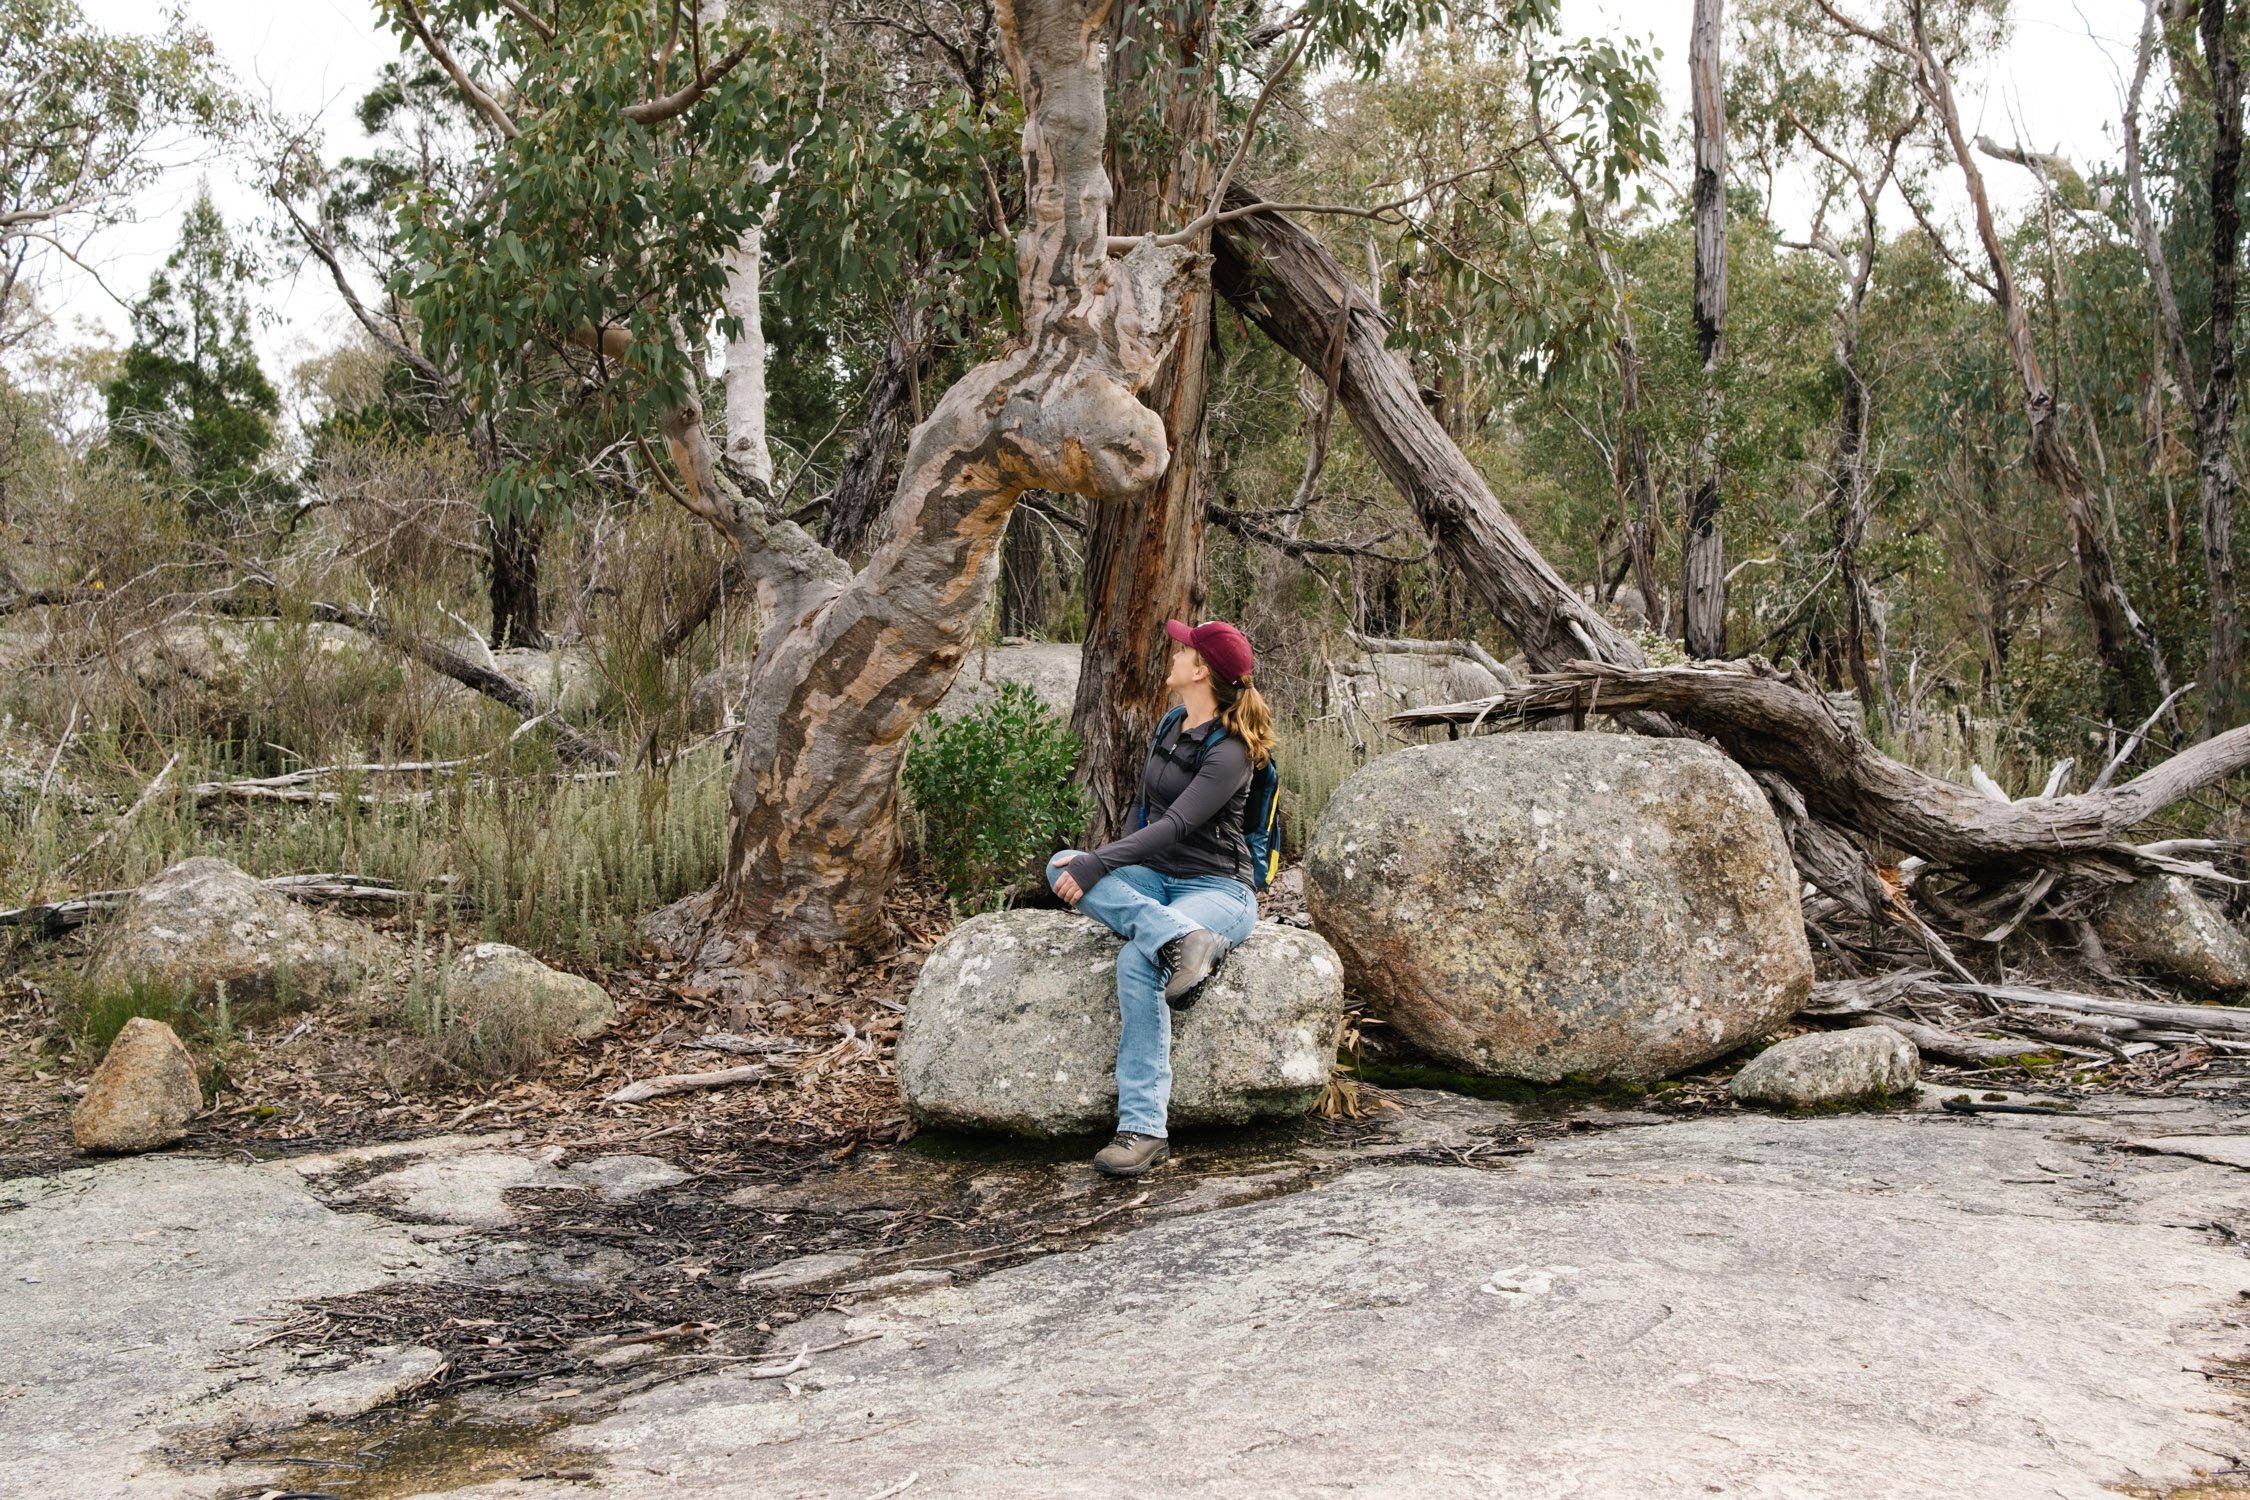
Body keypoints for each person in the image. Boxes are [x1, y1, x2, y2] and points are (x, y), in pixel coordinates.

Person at [1046, 618, 1278, 1178]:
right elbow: (1143, 811)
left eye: (1184, 649)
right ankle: (1179, 940)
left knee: (1136, 958)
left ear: (1201, 670)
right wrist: (1105, 858)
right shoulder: (1172, 722)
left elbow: (1176, 824)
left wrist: (1101, 861)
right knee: (1059, 865)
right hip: (1157, 880)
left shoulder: (1232, 751)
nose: (1172, 653)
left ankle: (1143, 1130)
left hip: (1218, 889)